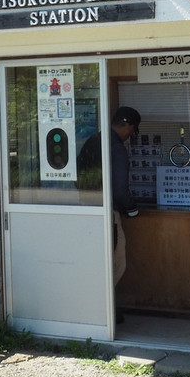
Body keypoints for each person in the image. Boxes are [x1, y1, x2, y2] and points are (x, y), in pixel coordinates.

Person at [76, 106, 141, 287]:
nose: (130, 135)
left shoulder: (93, 140)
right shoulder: (116, 147)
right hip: (108, 213)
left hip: (87, 207)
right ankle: (104, 307)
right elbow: (120, 189)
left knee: (94, 260)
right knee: (116, 262)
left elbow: (77, 175)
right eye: (133, 130)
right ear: (128, 126)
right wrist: (132, 209)